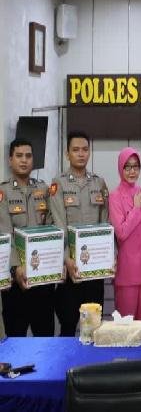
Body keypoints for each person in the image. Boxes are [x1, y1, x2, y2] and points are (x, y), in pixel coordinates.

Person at [50, 131, 110, 337]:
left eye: (85, 149)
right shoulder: (59, 184)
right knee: (68, 324)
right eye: (75, 150)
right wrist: (66, 258)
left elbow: (105, 223)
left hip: (94, 269)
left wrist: (109, 256)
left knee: (93, 327)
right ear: (67, 154)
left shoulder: (99, 183)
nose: (81, 154)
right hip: (71, 269)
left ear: (89, 152)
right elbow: (59, 225)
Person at [0, 138, 54, 336]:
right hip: (16, 282)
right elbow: (5, 233)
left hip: (42, 278)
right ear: (10, 160)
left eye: (28, 156)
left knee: (45, 337)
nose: (24, 160)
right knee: (16, 338)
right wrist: (16, 267)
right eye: (19, 156)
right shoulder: (3, 192)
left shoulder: (43, 189)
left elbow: (51, 227)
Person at [108, 147, 141, 321]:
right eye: (127, 167)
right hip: (126, 272)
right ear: (120, 168)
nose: (132, 171)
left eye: (135, 166)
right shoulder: (115, 196)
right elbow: (121, 232)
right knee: (126, 328)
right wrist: (136, 208)